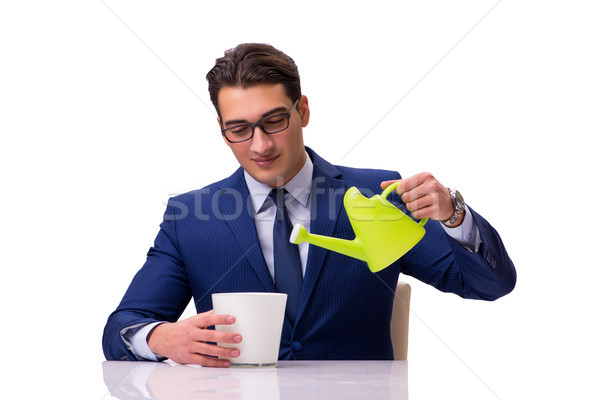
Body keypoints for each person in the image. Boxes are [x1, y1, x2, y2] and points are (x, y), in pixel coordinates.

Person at [103, 43, 516, 367]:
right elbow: (120, 328)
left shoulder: (377, 194)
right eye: (240, 129)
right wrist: (161, 338)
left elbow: (489, 285)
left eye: (274, 121)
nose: (260, 145)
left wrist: (453, 215)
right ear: (222, 130)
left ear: (302, 110)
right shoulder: (189, 217)